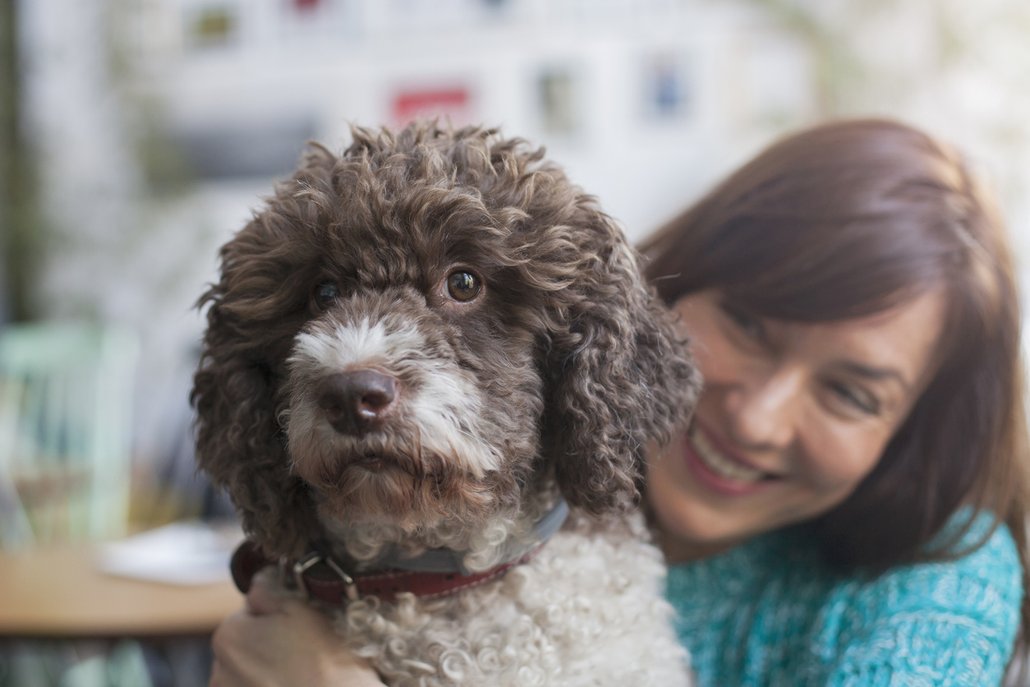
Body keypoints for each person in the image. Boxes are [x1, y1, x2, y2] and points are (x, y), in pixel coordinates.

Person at [208, 118, 1030, 686]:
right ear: (682, 279)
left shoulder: (937, 584)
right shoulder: (571, 486)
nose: (758, 417)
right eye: (749, 325)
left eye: (852, 391)